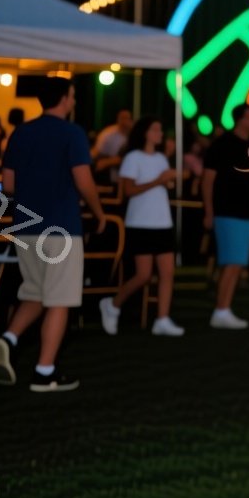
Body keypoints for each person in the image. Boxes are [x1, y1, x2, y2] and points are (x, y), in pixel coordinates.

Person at [0, 78, 107, 392]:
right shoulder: (72, 133)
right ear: (65, 99)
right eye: (72, 96)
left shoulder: (21, 132)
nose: (75, 102)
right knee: (60, 299)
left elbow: (9, 185)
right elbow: (83, 180)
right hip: (61, 227)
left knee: (35, 293)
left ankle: (7, 339)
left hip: (24, 226)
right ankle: (45, 372)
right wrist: (99, 213)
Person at [99, 117, 185, 336]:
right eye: (156, 130)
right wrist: (159, 180)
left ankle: (162, 318)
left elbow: (165, 184)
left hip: (162, 221)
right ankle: (113, 304)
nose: (160, 134)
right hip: (140, 222)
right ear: (145, 133)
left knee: (167, 272)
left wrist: (169, 179)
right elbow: (128, 191)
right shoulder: (132, 158)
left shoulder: (160, 159)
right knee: (143, 275)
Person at [202, 105, 249, 329]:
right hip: (227, 212)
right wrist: (209, 210)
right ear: (241, 120)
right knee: (231, 262)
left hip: (246, 212)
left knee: (237, 263)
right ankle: (221, 309)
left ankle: (224, 308)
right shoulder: (222, 144)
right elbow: (207, 180)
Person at [92, 108, 134, 184]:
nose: (123, 121)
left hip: (133, 178)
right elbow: (96, 152)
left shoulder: (137, 136)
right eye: (120, 118)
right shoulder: (108, 134)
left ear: (131, 121)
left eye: (126, 118)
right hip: (113, 177)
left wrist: (109, 162)